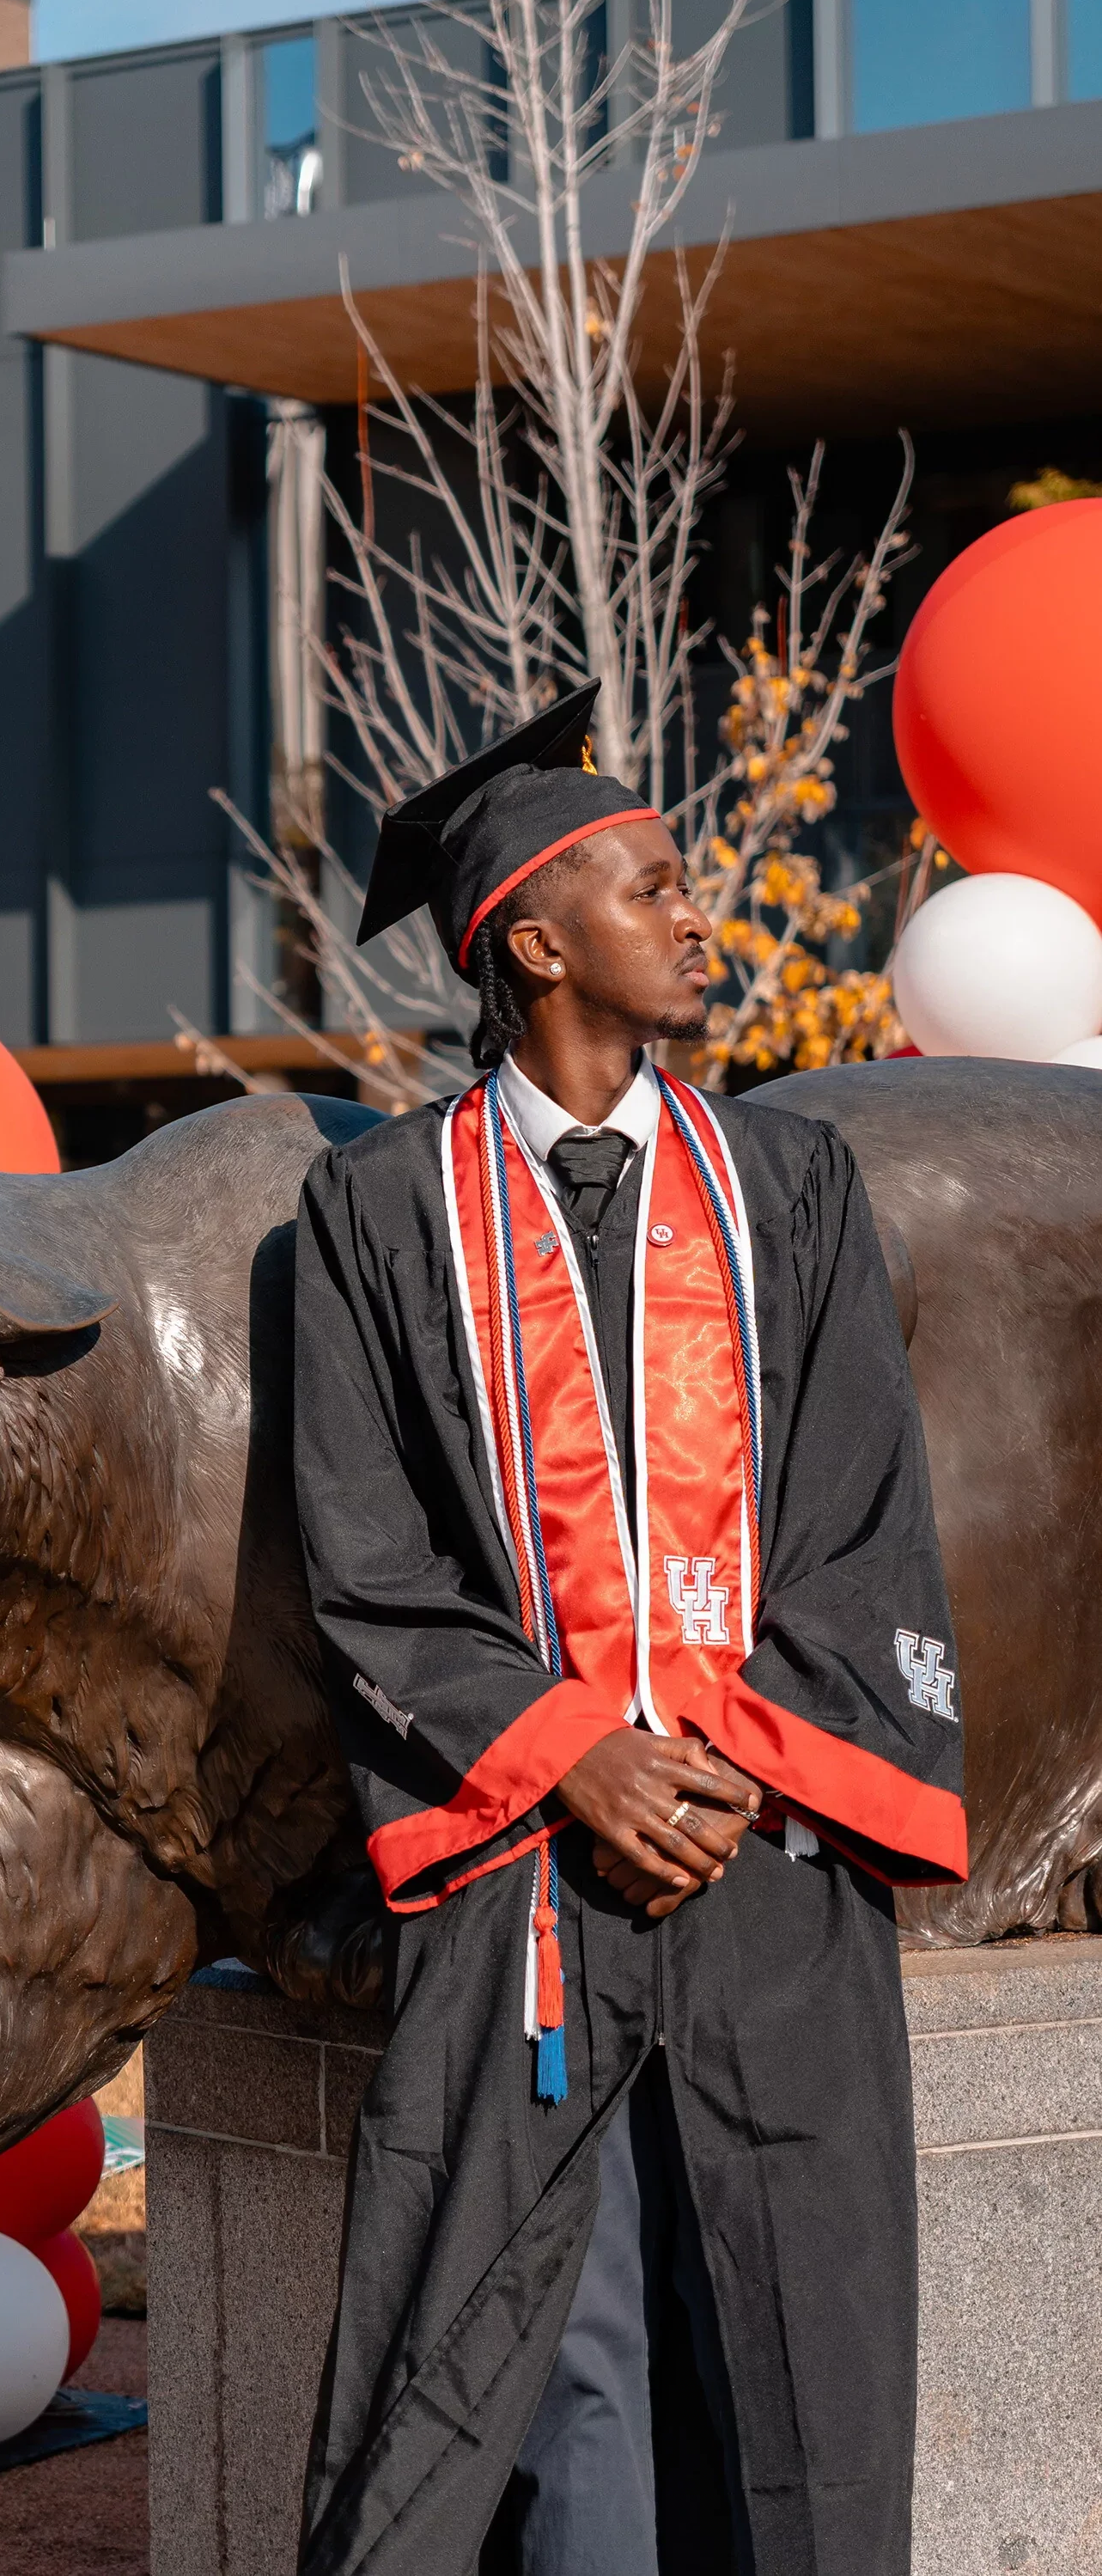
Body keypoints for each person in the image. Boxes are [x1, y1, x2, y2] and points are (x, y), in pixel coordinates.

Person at [291, 682, 965, 2576]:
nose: (699, 917)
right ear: (531, 938)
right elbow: (365, 1556)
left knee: (804, 2354)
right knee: (534, 2370)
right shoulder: (374, 1216)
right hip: (528, 1870)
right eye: (656, 886)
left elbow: (863, 1522)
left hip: (766, 1854)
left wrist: (737, 1767)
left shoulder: (788, 1188)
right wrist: (575, 1752)